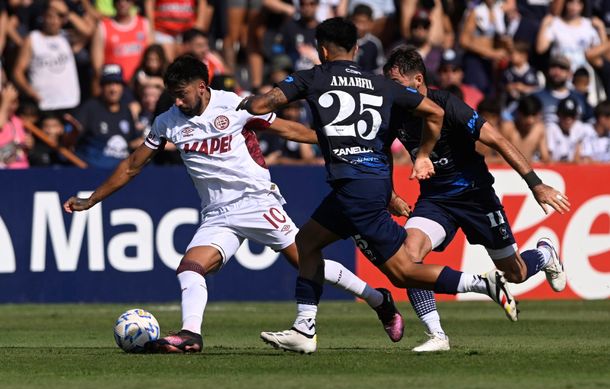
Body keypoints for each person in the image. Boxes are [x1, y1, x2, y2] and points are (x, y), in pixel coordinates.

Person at [63, 55, 404, 353]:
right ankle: (191, 334)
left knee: (308, 262)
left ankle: (380, 300)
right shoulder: (167, 122)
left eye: (182, 95)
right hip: (217, 214)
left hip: (256, 202)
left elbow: (287, 130)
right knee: (189, 268)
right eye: (173, 96)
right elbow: (133, 165)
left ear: (201, 85)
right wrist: (93, 198)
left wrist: (342, 142)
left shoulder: (235, 105)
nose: (178, 103)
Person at [238, 18, 520, 354]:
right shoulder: (379, 84)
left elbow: (260, 105)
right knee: (307, 242)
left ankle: (480, 282)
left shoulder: (313, 77)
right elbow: (434, 112)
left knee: (403, 272)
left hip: (355, 186)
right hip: (364, 185)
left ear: (322, 50)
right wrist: (422, 155)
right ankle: (304, 327)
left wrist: (243, 104)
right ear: (356, 49)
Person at [382, 46, 570, 352]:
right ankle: (437, 335)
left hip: (475, 196)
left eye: (395, 83)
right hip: (436, 200)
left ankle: (545, 255)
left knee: (516, 273)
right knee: (408, 257)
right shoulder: (396, 112)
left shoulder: (447, 105)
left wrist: (536, 184)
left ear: (418, 79)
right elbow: (382, 150)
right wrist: (389, 192)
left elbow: (497, 139)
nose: (389, 90)